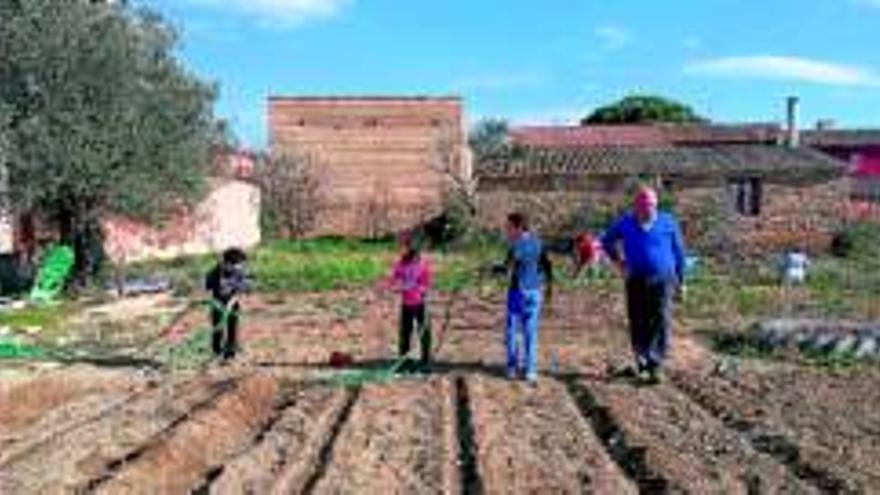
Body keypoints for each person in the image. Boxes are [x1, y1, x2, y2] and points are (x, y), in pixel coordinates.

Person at [601, 186, 686, 384]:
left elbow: (679, 252)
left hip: (663, 279)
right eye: (645, 205)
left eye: (652, 205)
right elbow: (606, 241)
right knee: (638, 319)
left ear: (656, 205)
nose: (649, 209)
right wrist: (619, 262)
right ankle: (642, 360)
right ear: (636, 206)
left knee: (660, 318)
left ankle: (655, 364)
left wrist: (682, 282)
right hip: (636, 278)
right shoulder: (626, 222)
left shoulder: (668, 222)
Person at [496, 212, 553, 383]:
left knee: (512, 330)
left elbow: (506, 269)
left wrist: (490, 269)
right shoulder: (538, 243)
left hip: (518, 291)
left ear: (519, 228)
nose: (507, 231)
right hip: (535, 291)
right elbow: (546, 266)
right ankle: (530, 370)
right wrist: (547, 286)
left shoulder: (515, 246)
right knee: (530, 330)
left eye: (509, 227)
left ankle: (512, 367)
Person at [383, 231, 433, 373]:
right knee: (405, 333)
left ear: (410, 248)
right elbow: (394, 279)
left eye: (403, 246)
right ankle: (403, 361)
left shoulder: (422, 264)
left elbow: (425, 283)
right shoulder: (400, 264)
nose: (400, 249)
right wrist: (392, 285)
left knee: (424, 333)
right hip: (406, 304)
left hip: (420, 303)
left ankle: (425, 361)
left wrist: (416, 288)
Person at [204, 247, 250, 361]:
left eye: (241, 265)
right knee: (218, 328)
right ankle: (217, 350)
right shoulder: (215, 273)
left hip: (233, 303)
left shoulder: (239, 272)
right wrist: (216, 303)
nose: (239, 267)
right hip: (217, 304)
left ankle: (230, 351)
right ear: (226, 263)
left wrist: (232, 301)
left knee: (232, 327)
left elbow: (242, 288)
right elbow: (208, 288)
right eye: (237, 265)